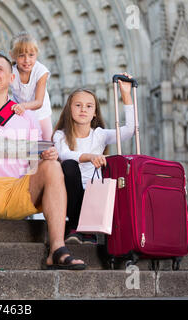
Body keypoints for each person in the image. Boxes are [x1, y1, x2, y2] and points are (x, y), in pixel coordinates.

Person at [0, 52, 86, 270]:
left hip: (18, 192)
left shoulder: (27, 117)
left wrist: (46, 155)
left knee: (51, 166)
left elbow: (36, 156)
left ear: (12, 78)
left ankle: (57, 248)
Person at [53, 73, 135, 244]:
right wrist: (90, 156)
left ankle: (87, 230)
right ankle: (75, 226)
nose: (83, 109)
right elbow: (65, 154)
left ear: (95, 113)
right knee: (69, 165)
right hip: (69, 193)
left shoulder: (100, 135)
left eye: (89, 106)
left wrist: (126, 95)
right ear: (69, 109)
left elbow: (129, 131)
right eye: (78, 105)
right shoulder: (61, 135)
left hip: (95, 192)